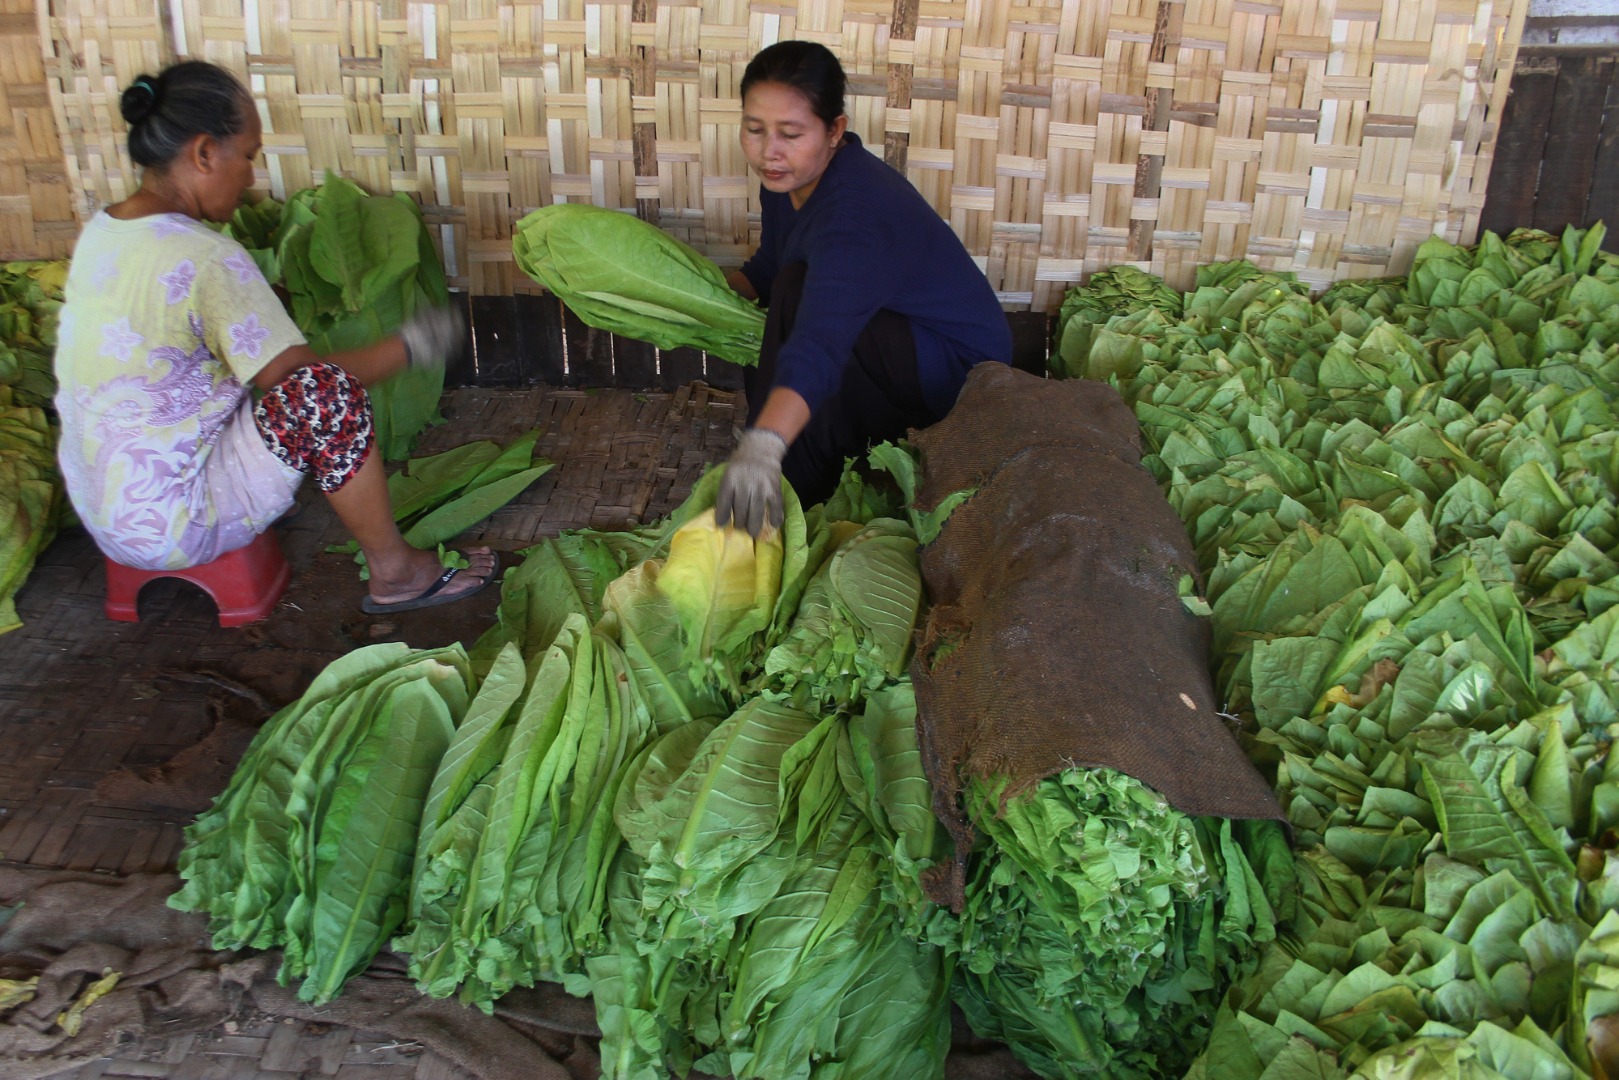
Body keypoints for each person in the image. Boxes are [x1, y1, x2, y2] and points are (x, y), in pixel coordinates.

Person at [54, 61, 495, 614]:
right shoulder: (207, 257)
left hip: (104, 511)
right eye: (249, 155)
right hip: (177, 523)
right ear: (204, 153)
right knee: (326, 396)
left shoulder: (102, 231)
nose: (252, 178)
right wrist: (412, 345)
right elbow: (302, 383)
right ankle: (397, 572)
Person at [717, 40, 1012, 536]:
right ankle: (792, 461)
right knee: (790, 288)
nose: (769, 151)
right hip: (890, 343)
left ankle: (794, 484)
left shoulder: (855, 212)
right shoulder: (787, 180)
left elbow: (819, 342)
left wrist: (763, 443)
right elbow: (771, 263)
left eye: (791, 133)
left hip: (959, 373)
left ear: (835, 131)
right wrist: (688, 293)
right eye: (754, 130)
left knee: (798, 302)